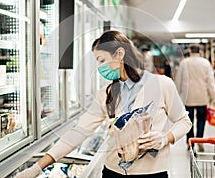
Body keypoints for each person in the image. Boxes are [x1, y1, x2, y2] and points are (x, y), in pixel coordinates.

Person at [16, 30, 192, 178]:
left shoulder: (162, 84)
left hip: (152, 173)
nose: (99, 67)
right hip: (112, 172)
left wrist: (164, 138)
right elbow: (78, 132)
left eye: (101, 60)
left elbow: (184, 122)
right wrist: (38, 167)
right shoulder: (106, 94)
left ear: (120, 54)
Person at [175, 44, 215, 151]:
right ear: (199, 51)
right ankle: (199, 139)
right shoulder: (205, 63)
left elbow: (178, 81)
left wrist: (176, 95)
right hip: (202, 97)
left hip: (188, 97)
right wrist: (214, 97)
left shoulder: (184, 63)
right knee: (201, 119)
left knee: (189, 120)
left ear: (190, 51)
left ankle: (190, 142)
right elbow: (210, 82)